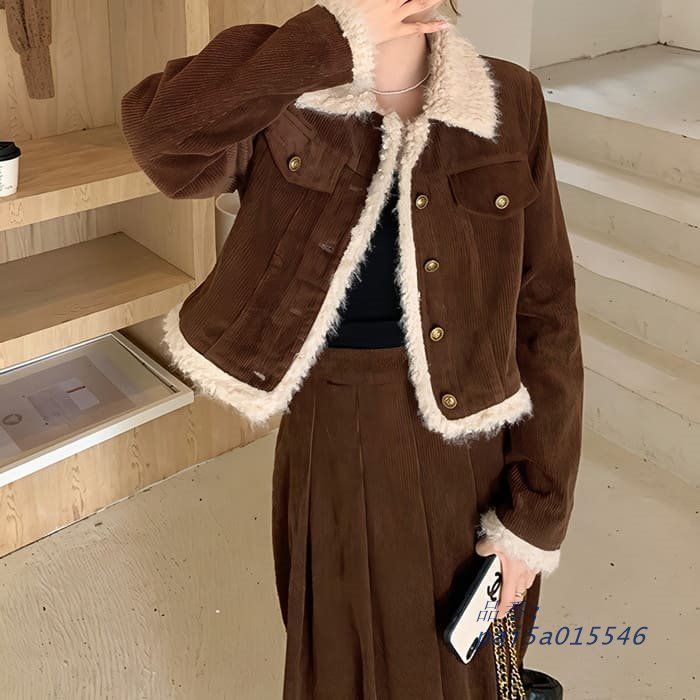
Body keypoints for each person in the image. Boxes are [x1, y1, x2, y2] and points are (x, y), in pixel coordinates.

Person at [120, 0, 584, 697]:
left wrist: (537, 516)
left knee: (464, 672)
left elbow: (546, 312)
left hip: (469, 449)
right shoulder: (283, 88)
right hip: (328, 435)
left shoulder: (509, 96)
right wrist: (326, 44)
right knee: (337, 665)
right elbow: (160, 138)